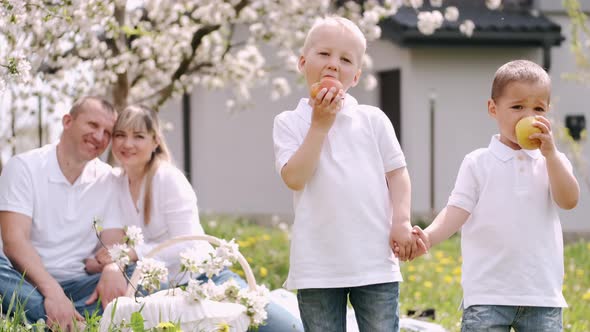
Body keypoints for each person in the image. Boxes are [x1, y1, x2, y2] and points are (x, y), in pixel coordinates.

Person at [93, 104, 303, 331]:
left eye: (139, 136)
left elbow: (189, 243)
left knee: (283, 327)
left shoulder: (167, 178)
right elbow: (113, 242)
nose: (128, 144)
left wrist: (133, 252)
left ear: (155, 141)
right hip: (165, 289)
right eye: (120, 135)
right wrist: (109, 262)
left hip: (206, 278)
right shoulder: (117, 182)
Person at [272, 16, 423, 332]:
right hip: (317, 265)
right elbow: (295, 178)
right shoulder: (289, 122)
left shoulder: (372, 119)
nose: (333, 64)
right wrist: (320, 125)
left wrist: (401, 221)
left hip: (374, 261)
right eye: (324, 54)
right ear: (302, 62)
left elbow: (397, 174)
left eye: (345, 59)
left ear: (356, 76)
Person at [408, 60, 580, 331]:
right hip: (488, 294)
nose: (528, 116)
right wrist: (428, 236)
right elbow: (456, 210)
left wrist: (551, 155)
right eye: (517, 107)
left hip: (542, 294)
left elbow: (569, 200)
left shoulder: (552, 161)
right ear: (493, 109)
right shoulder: (478, 162)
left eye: (538, 109)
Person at [0, 96, 128, 329]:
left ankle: (49, 317)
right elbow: (14, 242)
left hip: (81, 283)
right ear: (68, 121)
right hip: (24, 280)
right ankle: (70, 316)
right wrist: (54, 293)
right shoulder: (24, 167)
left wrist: (112, 267)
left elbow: (114, 244)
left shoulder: (108, 178)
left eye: (108, 132)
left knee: (140, 274)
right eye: (92, 125)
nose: (99, 137)